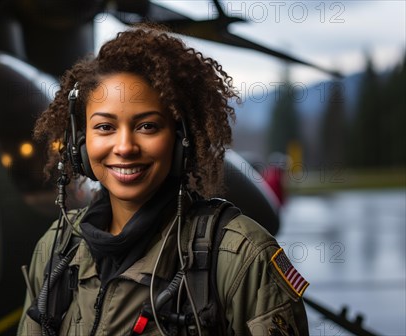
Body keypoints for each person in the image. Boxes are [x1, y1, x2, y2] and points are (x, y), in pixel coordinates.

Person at [18, 26, 309, 336]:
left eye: (147, 126)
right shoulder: (58, 246)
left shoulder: (239, 255)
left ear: (181, 139)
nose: (125, 146)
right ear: (80, 143)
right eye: (105, 127)